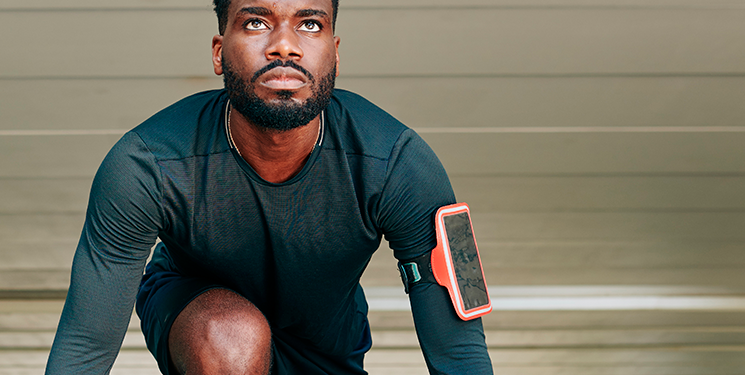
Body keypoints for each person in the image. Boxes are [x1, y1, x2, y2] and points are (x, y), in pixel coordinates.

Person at [45, 0, 493, 373]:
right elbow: (85, 344)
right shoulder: (144, 165)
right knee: (231, 337)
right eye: (256, 22)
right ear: (220, 51)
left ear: (335, 52)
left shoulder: (402, 163)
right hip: (201, 320)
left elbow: (459, 349)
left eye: (310, 24)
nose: (284, 45)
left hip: (329, 343)